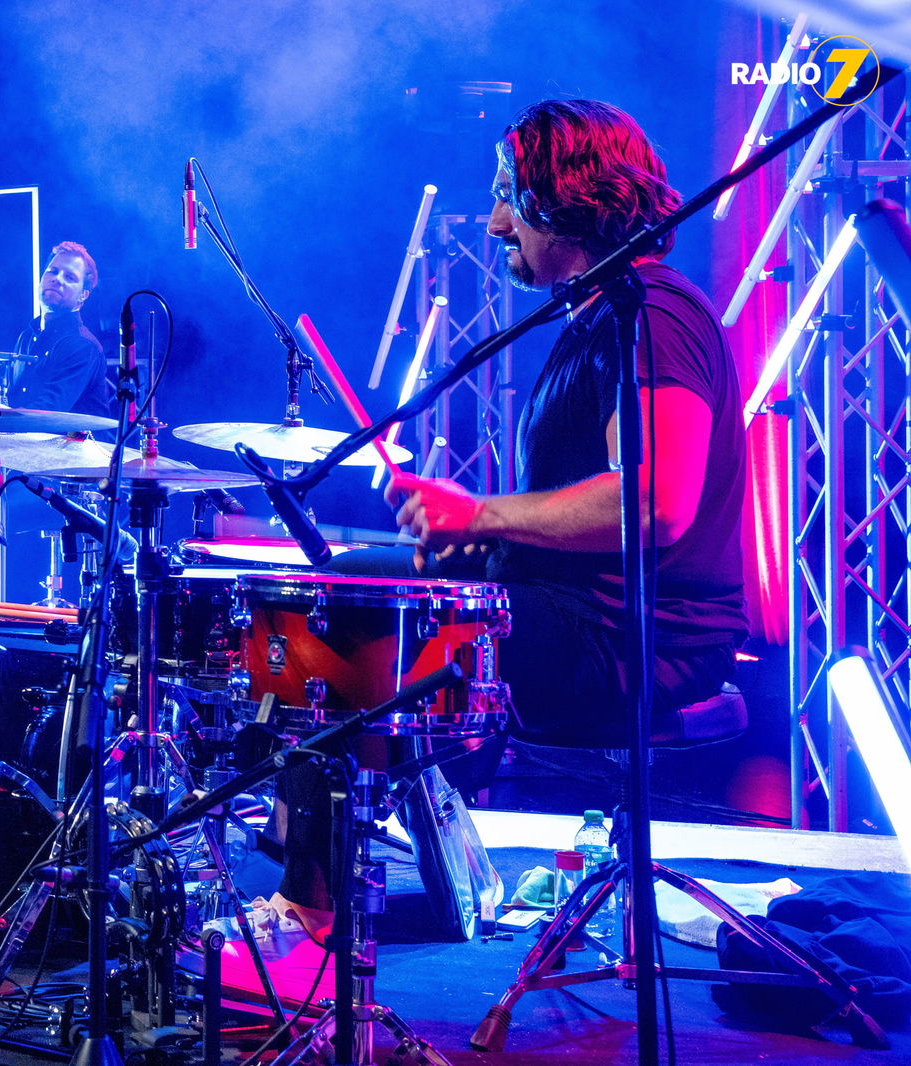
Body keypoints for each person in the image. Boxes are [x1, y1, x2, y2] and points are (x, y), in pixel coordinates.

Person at [257, 99, 749, 944]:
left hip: (642, 639)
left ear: (570, 195)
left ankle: (308, 917)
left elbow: (654, 502)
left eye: (507, 195)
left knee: (357, 610)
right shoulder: (596, 318)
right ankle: (342, 873)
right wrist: (479, 537)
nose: (492, 223)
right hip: (583, 615)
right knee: (352, 583)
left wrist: (481, 513)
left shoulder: (652, 315)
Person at [9, 240, 116, 416]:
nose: (57, 279)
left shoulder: (81, 345)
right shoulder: (27, 336)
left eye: (70, 277)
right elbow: (15, 398)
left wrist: (2, 420)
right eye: (53, 271)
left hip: (77, 443)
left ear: (83, 295)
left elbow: (50, 410)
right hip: (29, 441)